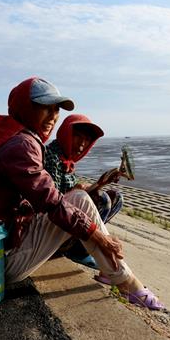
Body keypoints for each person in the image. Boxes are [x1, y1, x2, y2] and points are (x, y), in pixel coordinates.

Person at [0, 77, 163, 310]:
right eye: (44, 107)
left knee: (84, 200)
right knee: (80, 202)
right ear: (25, 107)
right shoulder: (22, 145)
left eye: (56, 109)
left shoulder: (11, 136)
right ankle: (128, 283)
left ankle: (117, 275)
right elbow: (52, 202)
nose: (52, 116)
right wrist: (101, 238)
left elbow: (42, 198)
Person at [44, 114, 124, 275]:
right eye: (77, 137)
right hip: (53, 222)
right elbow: (54, 201)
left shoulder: (66, 158)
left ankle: (79, 245)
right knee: (103, 200)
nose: (82, 143)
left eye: (86, 140)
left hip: (67, 215)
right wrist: (80, 190)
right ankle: (76, 250)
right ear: (66, 134)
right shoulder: (51, 156)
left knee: (115, 197)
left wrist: (100, 183)